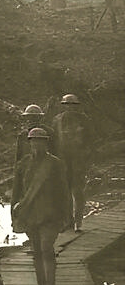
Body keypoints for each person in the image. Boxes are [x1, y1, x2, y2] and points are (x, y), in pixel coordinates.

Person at [11, 127, 73, 285]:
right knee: (37, 251)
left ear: (46, 143)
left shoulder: (56, 164)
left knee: (46, 249)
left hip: (50, 214)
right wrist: (14, 216)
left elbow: (64, 192)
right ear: (29, 143)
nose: (37, 144)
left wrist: (67, 216)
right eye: (34, 141)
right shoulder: (23, 164)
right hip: (30, 214)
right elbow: (16, 193)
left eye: (41, 141)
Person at [51, 93, 94, 231]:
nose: (70, 107)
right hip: (62, 159)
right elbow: (53, 141)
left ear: (77, 106)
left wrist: (87, 156)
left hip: (78, 159)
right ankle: (67, 220)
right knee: (65, 190)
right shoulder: (57, 120)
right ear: (63, 106)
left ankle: (78, 220)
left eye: (73, 105)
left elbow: (90, 140)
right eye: (67, 104)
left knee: (78, 190)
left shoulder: (84, 120)